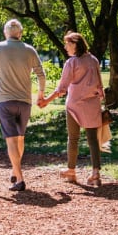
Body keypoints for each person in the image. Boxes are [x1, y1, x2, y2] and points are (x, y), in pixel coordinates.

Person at [0, 19, 46, 191]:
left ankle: (20, 179)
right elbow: (41, 74)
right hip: (25, 101)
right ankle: (15, 170)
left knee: (11, 141)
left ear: (5, 32)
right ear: (20, 33)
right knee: (20, 138)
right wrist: (41, 95)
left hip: (5, 101)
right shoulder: (30, 50)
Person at [39, 32, 105, 187]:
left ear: (75, 44)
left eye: (67, 43)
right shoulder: (94, 60)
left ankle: (71, 171)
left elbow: (62, 88)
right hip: (92, 105)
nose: (65, 46)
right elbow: (100, 87)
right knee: (93, 140)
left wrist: (47, 101)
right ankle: (96, 174)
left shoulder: (71, 63)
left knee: (73, 138)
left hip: (74, 105)